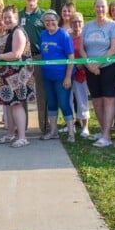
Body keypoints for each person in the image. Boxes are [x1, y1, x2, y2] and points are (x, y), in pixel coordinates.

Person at [0, 5, 35, 148]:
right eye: (4, 17)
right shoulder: (9, 33)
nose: (6, 20)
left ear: (16, 18)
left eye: (9, 17)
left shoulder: (18, 32)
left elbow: (16, 54)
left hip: (17, 77)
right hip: (7, 79)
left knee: (17, 105)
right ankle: (10, 134)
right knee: (9, 106)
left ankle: (22, 137)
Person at [81, 0, 115, 148]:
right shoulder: (87, 26)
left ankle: (106, 136)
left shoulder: (113, 26)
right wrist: (89, 65)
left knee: (108, 100)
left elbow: (113, 49)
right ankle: (103, 130)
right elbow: (81, 48)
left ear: (107, 9)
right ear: (94, 8)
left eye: (103, 7)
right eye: (97, 7)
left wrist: (97, 63)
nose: (100, 10)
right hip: (91, 69)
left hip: (110, 67)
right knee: (97, 101)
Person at [38, 9, 75, 141]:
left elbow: (71, 57)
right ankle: (53, 131)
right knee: (52, 103)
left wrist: (68, 77)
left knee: (64, 103)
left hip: (61, 76)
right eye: (47, 20)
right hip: (47, 76)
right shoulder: (43, 34)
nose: (50, 23)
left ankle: (71, 133)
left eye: (52, 20)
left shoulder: (64, 35)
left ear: (57, 21)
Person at [19, 0, 47, 134]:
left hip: (39, 57)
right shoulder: (19, 16)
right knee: (22, 93)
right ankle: (22, 127)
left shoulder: (44, 16)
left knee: (42, 94)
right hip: (23, 59)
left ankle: (45, 126)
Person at [69, 12, 91, 138]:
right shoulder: (67, 36)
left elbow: (89, 52)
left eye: (79, 21)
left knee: (82, 100)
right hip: (68, 72)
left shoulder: (86, 36)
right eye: (74, 22)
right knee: (68, 100)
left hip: (81, 72)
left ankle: (85, 127)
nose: (76, 24)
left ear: (83, 23)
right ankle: (70, 125)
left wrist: (82, 64)